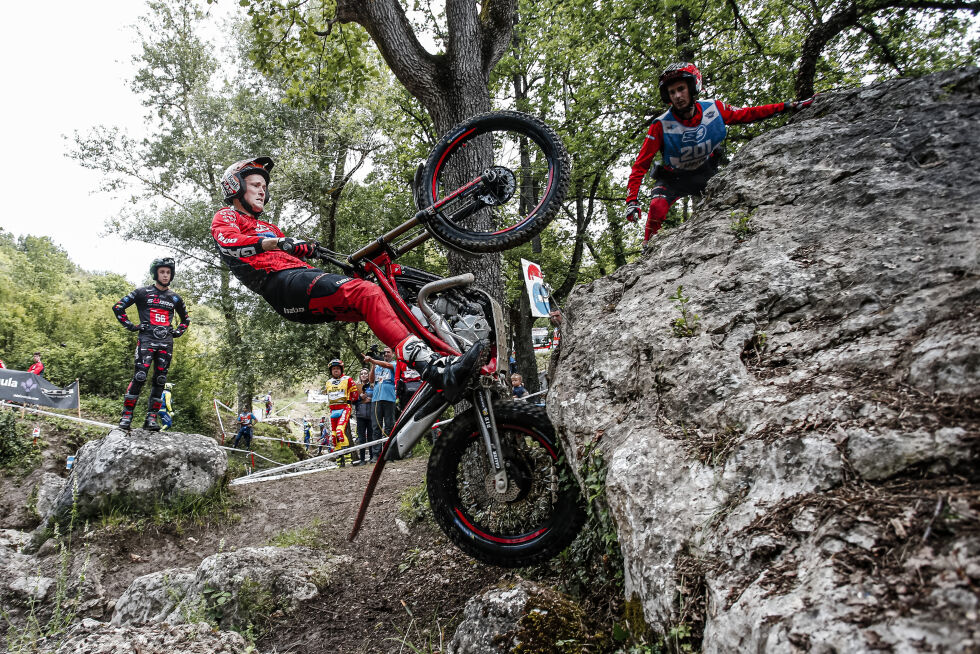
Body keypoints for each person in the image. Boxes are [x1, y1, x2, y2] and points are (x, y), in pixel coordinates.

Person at [209, 157, 484, 402]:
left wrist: (303, 247)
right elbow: (230, 243)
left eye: (264, 187)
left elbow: (286, 251)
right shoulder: (227, 217)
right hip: (280, 285)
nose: (262, 190)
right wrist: (277, 242)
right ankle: (433, 370)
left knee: (388, 298)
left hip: (301, 278)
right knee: (368, 293)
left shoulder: (269, 227)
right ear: (235, 187)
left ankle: (449, 357)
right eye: (255, 184)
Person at [625, 62, 814, 247]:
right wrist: (632, 200)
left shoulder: (713, 109)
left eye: (681, 89)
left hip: (705, 173)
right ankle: (647, 249)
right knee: (657, 207)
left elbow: (749, 114)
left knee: (733, 201)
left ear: (692, 88)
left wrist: (788, 106)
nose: (677, 96)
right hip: (672, 179)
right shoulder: (660, 125)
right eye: (672, 92)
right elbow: (640, 164)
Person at [112, 258, 190, 430]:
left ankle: (151, 419)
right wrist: (132, 326)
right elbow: (118, 307)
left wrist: (177, 332)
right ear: (156, 273)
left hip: (166, 343)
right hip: (146, 341)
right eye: (162, 272)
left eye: (168, 272)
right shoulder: (142, 292)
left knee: (160, 380)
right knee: (140, 377)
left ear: (171, 275)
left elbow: (186, 319)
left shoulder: (175, 298)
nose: (165, 275)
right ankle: (126, 417)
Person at [323, 358, 358, 466]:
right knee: (333, 436)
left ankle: (348, 459)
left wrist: (349, 401)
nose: (336, 370)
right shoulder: (328, 382)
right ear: (331, 371)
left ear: (341, 369)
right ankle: (339, 460)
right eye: (333, 369)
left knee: (339, 431)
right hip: (333, 410)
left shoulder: (348, 379)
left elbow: (355, 395)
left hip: (344, 408)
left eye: (338, 368)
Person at [364, 346, 396, 459]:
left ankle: (389, 453)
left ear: (392, 354)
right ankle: (376, 454)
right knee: (376, 426)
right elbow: (371, 380)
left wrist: (372, 360)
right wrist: (373, 365)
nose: (386, 354)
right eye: (384, 352)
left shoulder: (395, 364)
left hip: (389, 398)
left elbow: (387, 365)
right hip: (376, 398)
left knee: (389, 425)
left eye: (388, 352)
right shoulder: (377, 366)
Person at [353, 369, 374, 465]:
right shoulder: (356, 387)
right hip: (360, 415)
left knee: (371, 437)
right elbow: (353, 401)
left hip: (371, 415)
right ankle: (362, 459)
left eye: (366, 373)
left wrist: (371, 400)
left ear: (369, 375)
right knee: (361, 438)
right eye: (361, 373)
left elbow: (377, 398)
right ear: (360, 376)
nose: (364, 375)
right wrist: (359, 398)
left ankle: (372, 457)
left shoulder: (373, 385)